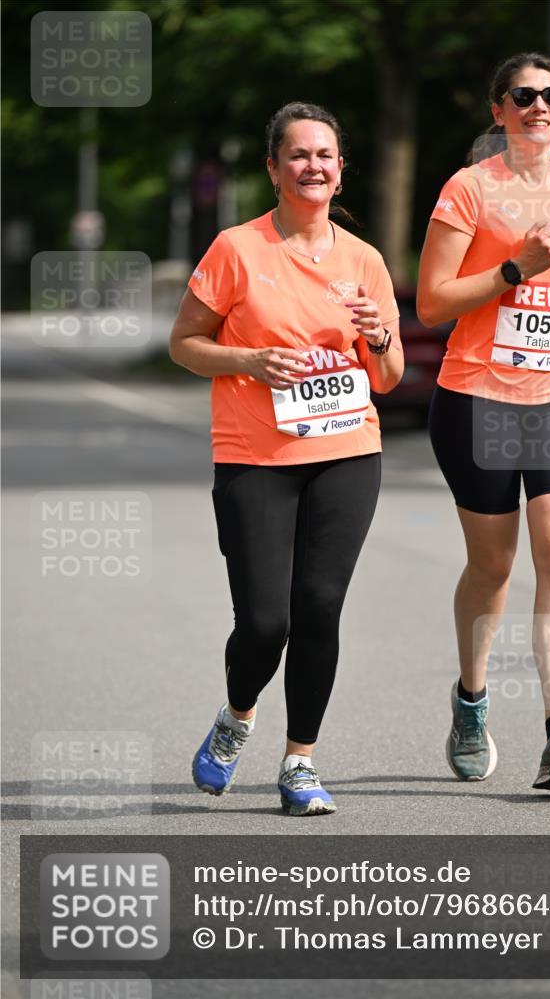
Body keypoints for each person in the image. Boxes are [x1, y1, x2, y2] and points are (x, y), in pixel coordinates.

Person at [169, 102, 403, 815]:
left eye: (325, 155)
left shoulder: (362, 260)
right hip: (254, 456)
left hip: (345, 452)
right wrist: (248, 360)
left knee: (319, 606)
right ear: (273, 169)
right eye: (298, 154)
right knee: (265, 619)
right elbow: (184, 343)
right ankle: (237, 716)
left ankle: (300, 761)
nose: (313, 166)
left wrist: (378, 338)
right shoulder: (236, 249)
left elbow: (387, 379)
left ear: (339, 171)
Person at [417, 53, 550, 792]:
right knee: (493, 566)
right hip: (478, 394)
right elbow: (432, 302)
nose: (539, 106)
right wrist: (512, 267)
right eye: (523, 96)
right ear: (497, 109)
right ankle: (471, 700)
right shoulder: (467, 189)